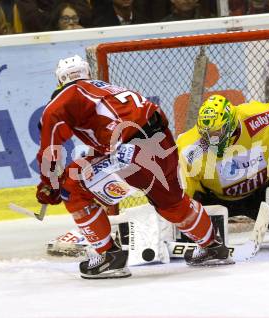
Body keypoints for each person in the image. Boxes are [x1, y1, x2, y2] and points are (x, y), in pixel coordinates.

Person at [36, 56, 234, 279]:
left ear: (60, 80)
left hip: (130, 155)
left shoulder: (60, 101)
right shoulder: (107, 88)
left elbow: (49, 153)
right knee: (172, 205)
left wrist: (49, 184)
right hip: (162, 143)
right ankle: (213, 247)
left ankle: (109, 257)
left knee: (70, 188)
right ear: (87, 73)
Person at [177, 94, 269, 222]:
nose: (211, 140)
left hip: (265, 188)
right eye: (206, 134)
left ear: (231, 124)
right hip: (218, 201)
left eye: (217, 133)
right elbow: (184, 196)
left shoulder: (263, 117)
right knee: (189, 226)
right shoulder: (188, 149)